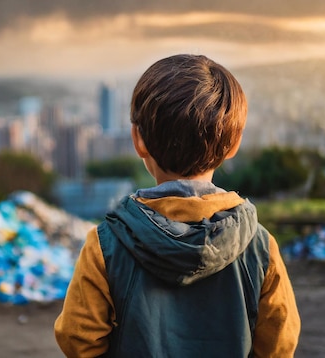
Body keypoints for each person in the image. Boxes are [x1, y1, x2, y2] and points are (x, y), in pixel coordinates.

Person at [54, 54, 300, 357]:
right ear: (234, 144)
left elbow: (78, 339)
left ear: (137, 140)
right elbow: (279, 345)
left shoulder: (105, 245)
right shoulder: (260, 246)